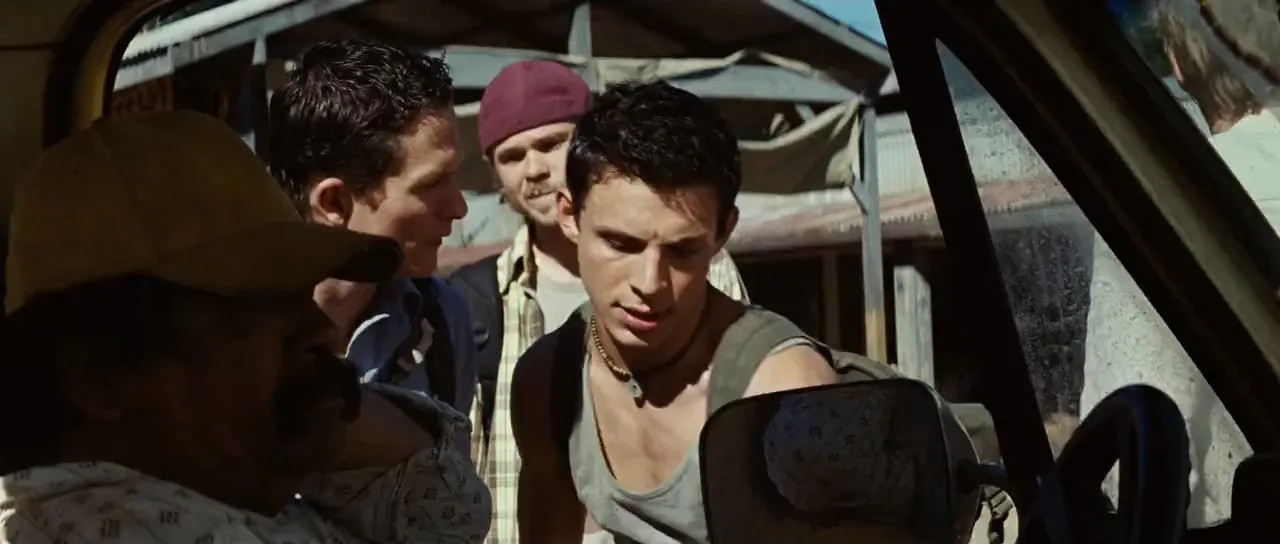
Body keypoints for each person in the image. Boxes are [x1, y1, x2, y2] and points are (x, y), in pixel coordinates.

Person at [0, 110, 491, 542]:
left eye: (302, 295)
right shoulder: (133, 527)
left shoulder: (223, 487)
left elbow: (444, 510)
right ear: (99, 377)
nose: (322, 331)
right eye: (255, 304)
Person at [510, 81, 838, 544]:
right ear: (569, 216)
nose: (650, 283)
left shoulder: (780, 391)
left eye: (682, 251)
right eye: (620, 243)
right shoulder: (549, 381)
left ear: (723, 233)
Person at [457, 60, 751, 543]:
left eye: (551, 144)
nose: (534, 169)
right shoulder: (476, 300)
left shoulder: (703, 267)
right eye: (512, 156)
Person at [267, 39, 476, 452]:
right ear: (334, 202)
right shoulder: (237, 343)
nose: (459, 207)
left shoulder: (443, 323)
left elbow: (450, 484)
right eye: (432, 184)